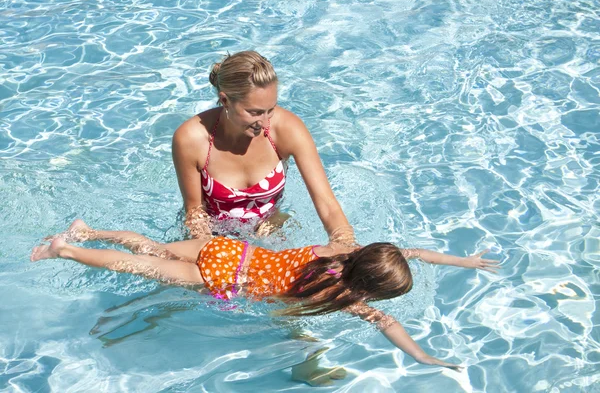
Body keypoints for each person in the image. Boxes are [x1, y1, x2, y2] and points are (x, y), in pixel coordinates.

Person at [32, 220, 500, 382]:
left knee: (149, 248)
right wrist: (423, 355)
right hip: (222, 280)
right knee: (142, 269)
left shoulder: (341, 251)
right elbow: (385, 323)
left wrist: (461, 261)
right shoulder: (338, 295)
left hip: (229, 250)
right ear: (367, 289)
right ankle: (67, 250)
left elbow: (409, 252)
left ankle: (84, 233)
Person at [172, 50, 355, 241]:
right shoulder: (191, 139)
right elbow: (195, 215)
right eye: (254, 112)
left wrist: (347, 246)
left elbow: (327, 204)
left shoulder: (287, 129)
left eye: (270, 110)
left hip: (271, 230)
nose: (264, 121)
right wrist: (215, 256)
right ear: (225, 100)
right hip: (216, 238)